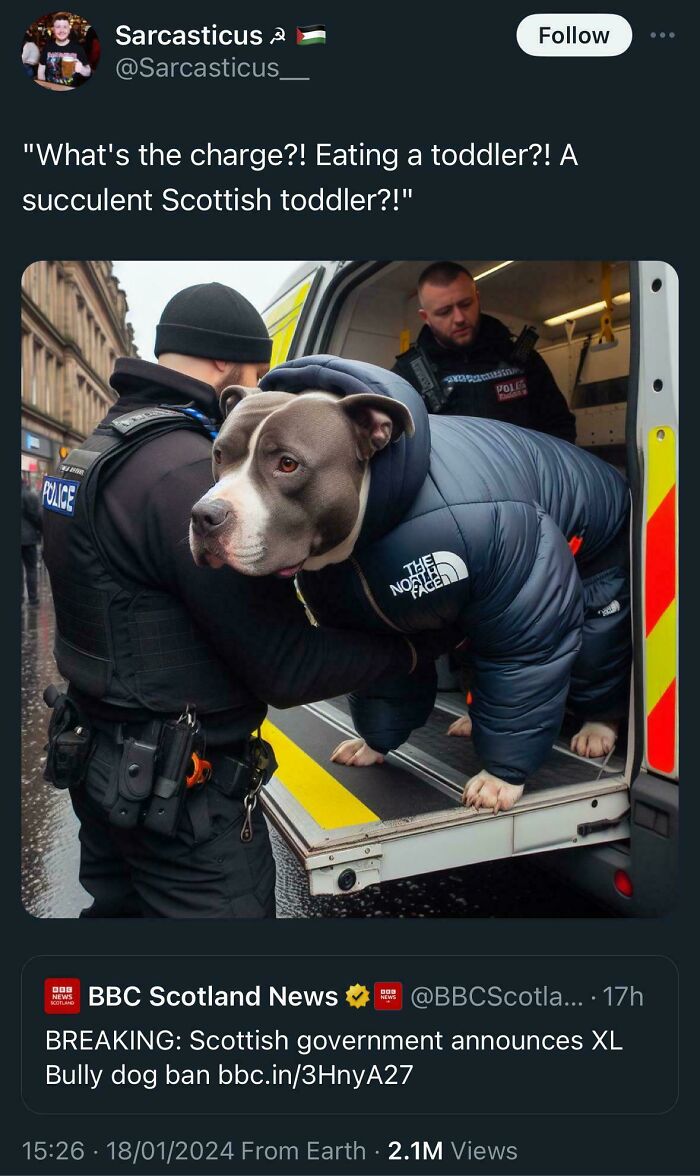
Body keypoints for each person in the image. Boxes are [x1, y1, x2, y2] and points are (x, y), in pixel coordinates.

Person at [41, 282, 451, 919]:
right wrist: (410, 649)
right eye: (258, 373)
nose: (259, 390)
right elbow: (286, 665)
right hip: (180, 799)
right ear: (228, 365)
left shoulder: (96, 449)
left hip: (98, 763)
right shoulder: (182, 472)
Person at [393, 261, 576, 442]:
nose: (459, 318)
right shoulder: (410, 374)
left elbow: (560, 426)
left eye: (465, 304)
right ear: (426, 317)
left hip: (528, 469)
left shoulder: (522, 358)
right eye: (444, 312)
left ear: (477, 298)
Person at [37, 14, 91, 87]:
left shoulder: (78, 48)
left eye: (65, 27)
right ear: (53, 30)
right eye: (58, 27)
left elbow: (88, 73)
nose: (61, 30)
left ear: (69, 29)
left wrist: (81, 69)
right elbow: (41, 70)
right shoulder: (47, 47)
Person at [21, 476, 42, 606]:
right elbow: (37, 517)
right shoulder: (30, 496)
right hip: (29, 539)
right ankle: (33, 598)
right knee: (31, 569)